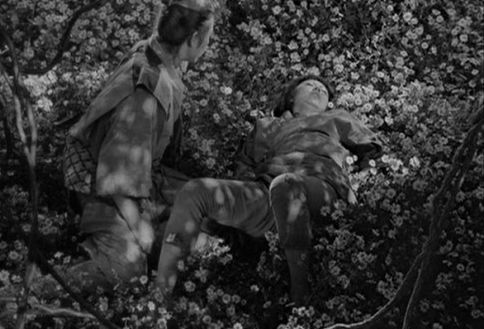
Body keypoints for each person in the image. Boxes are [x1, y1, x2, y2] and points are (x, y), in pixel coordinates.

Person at [156, 75, 385, 306]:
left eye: (323, 90)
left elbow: (374, 153)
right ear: (291, 96)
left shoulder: (336, 118)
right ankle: (160, 300)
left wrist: (361, 186)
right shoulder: (265, 126)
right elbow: (244, 168)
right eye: (309, 85)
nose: (317, 88)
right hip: (266, 194)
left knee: (287, 187)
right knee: (195, 191)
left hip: (322, 190)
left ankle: (300, 298)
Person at [61, 0, 220, 292]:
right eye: (207, 37)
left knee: (209, 216)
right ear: (193, 39)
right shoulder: (145, 92)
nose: (207, 44)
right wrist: (139, 229)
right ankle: (27, 295)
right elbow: (116, 174)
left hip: (142, 174)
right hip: (97, 181)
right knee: (127, 269)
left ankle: (161, 223)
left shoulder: (157, 51)